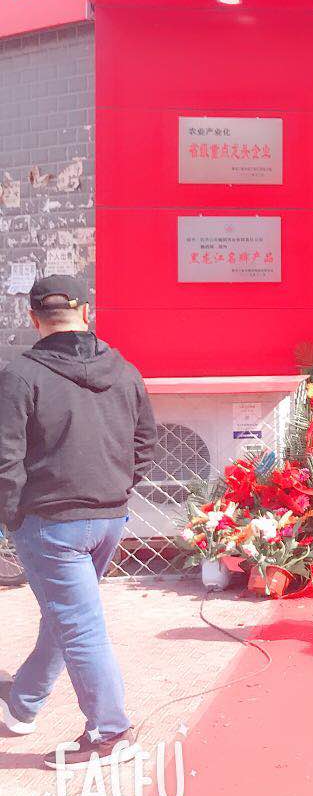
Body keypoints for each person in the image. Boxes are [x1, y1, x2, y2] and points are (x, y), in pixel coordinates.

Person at [0, 275, 157, 768]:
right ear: (87, 312)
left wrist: (11, 517)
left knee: (79, 625)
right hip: (108, 517)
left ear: (33, 319)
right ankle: (23, 705)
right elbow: (146, 444)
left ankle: (110, 734)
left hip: (49, 522)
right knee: (68, 614)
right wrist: (116, 490)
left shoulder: (20, 375)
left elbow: (6, 458)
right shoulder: (125, 371)